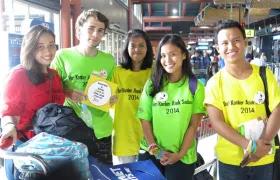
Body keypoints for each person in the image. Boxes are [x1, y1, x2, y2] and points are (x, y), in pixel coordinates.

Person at [204, 20, 280, 180]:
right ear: (218, 49)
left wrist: (261, 146)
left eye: (236, 40)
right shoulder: (214, 83)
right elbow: (217, 123)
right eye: (224, 43)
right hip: (231, 160)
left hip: (264, 157)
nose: (231, 46)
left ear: (245, 42)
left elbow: (277, 110)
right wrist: (250, 146)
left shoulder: (265, 75)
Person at [51, 9, 117, 165]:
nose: (95, 34)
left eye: (100, 31)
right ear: (79, 30)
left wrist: (113, 98)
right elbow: (52, 91)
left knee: (103, 173)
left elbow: (109, 89)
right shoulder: (62, 56)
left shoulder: (108, 60)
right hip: (72, 129)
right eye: (91, 28)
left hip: (102, 130)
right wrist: (67, 93)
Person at [0, 25, 65, 180]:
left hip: (50, 148)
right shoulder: (18, 75)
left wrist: (70, 93)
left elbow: (54, 101)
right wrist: (9, 126)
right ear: (29, 48)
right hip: (26, 150)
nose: (48, 52)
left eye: (51, 45)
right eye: (40, 47)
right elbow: (9, 111)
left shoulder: (53, 75)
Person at [136, 34, 206, 180]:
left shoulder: (195, 86)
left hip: (182, 156)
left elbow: (194, 125)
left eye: (173, 54)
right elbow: (145, 120)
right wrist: (155, 150)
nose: (167, 60)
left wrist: (179, 154)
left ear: (184, 55)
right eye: (163, 55)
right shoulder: (152, 84)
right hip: (151, 152)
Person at [112, 29, 153, 165]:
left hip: (150, 135)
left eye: (141, 45)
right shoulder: (117, 72)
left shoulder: (155, 72)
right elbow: (106, 99)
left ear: (147, 48)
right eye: (133, 45)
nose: (137, 49)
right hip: (124, 134)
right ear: (126, 48)